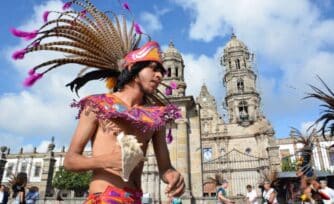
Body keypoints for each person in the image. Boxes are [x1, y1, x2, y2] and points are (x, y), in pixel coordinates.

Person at [11, 1, 185, 203]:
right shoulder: (97, 105)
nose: (159, 76)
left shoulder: (155, 118)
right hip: (104, 198)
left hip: (136, 198)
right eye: (153, 69)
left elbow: (165, 167)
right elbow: (70, 160)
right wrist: (105, 161)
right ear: (133, 71)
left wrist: (172, 176)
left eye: (161, 72)